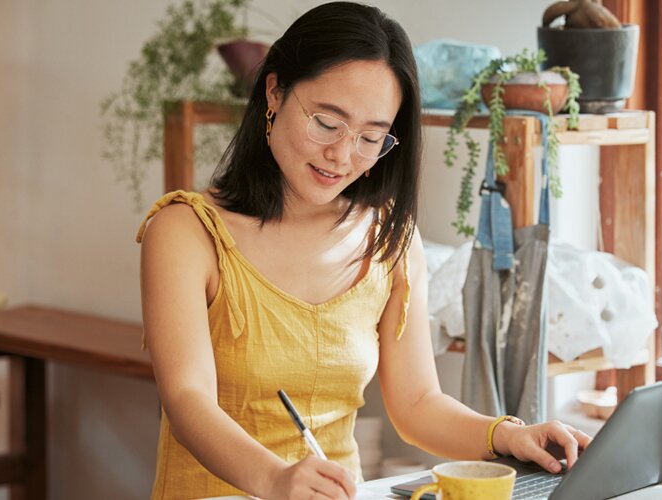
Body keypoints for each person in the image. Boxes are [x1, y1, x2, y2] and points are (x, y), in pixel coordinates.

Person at [136, 2, 592, 499]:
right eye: (327, 124)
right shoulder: (186, 231)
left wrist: (507, 434)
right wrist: (274, 479)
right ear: (274, 91)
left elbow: (417, 402)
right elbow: (187, 400)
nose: (342, 155)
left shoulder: (388, 238)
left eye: (371, 138)